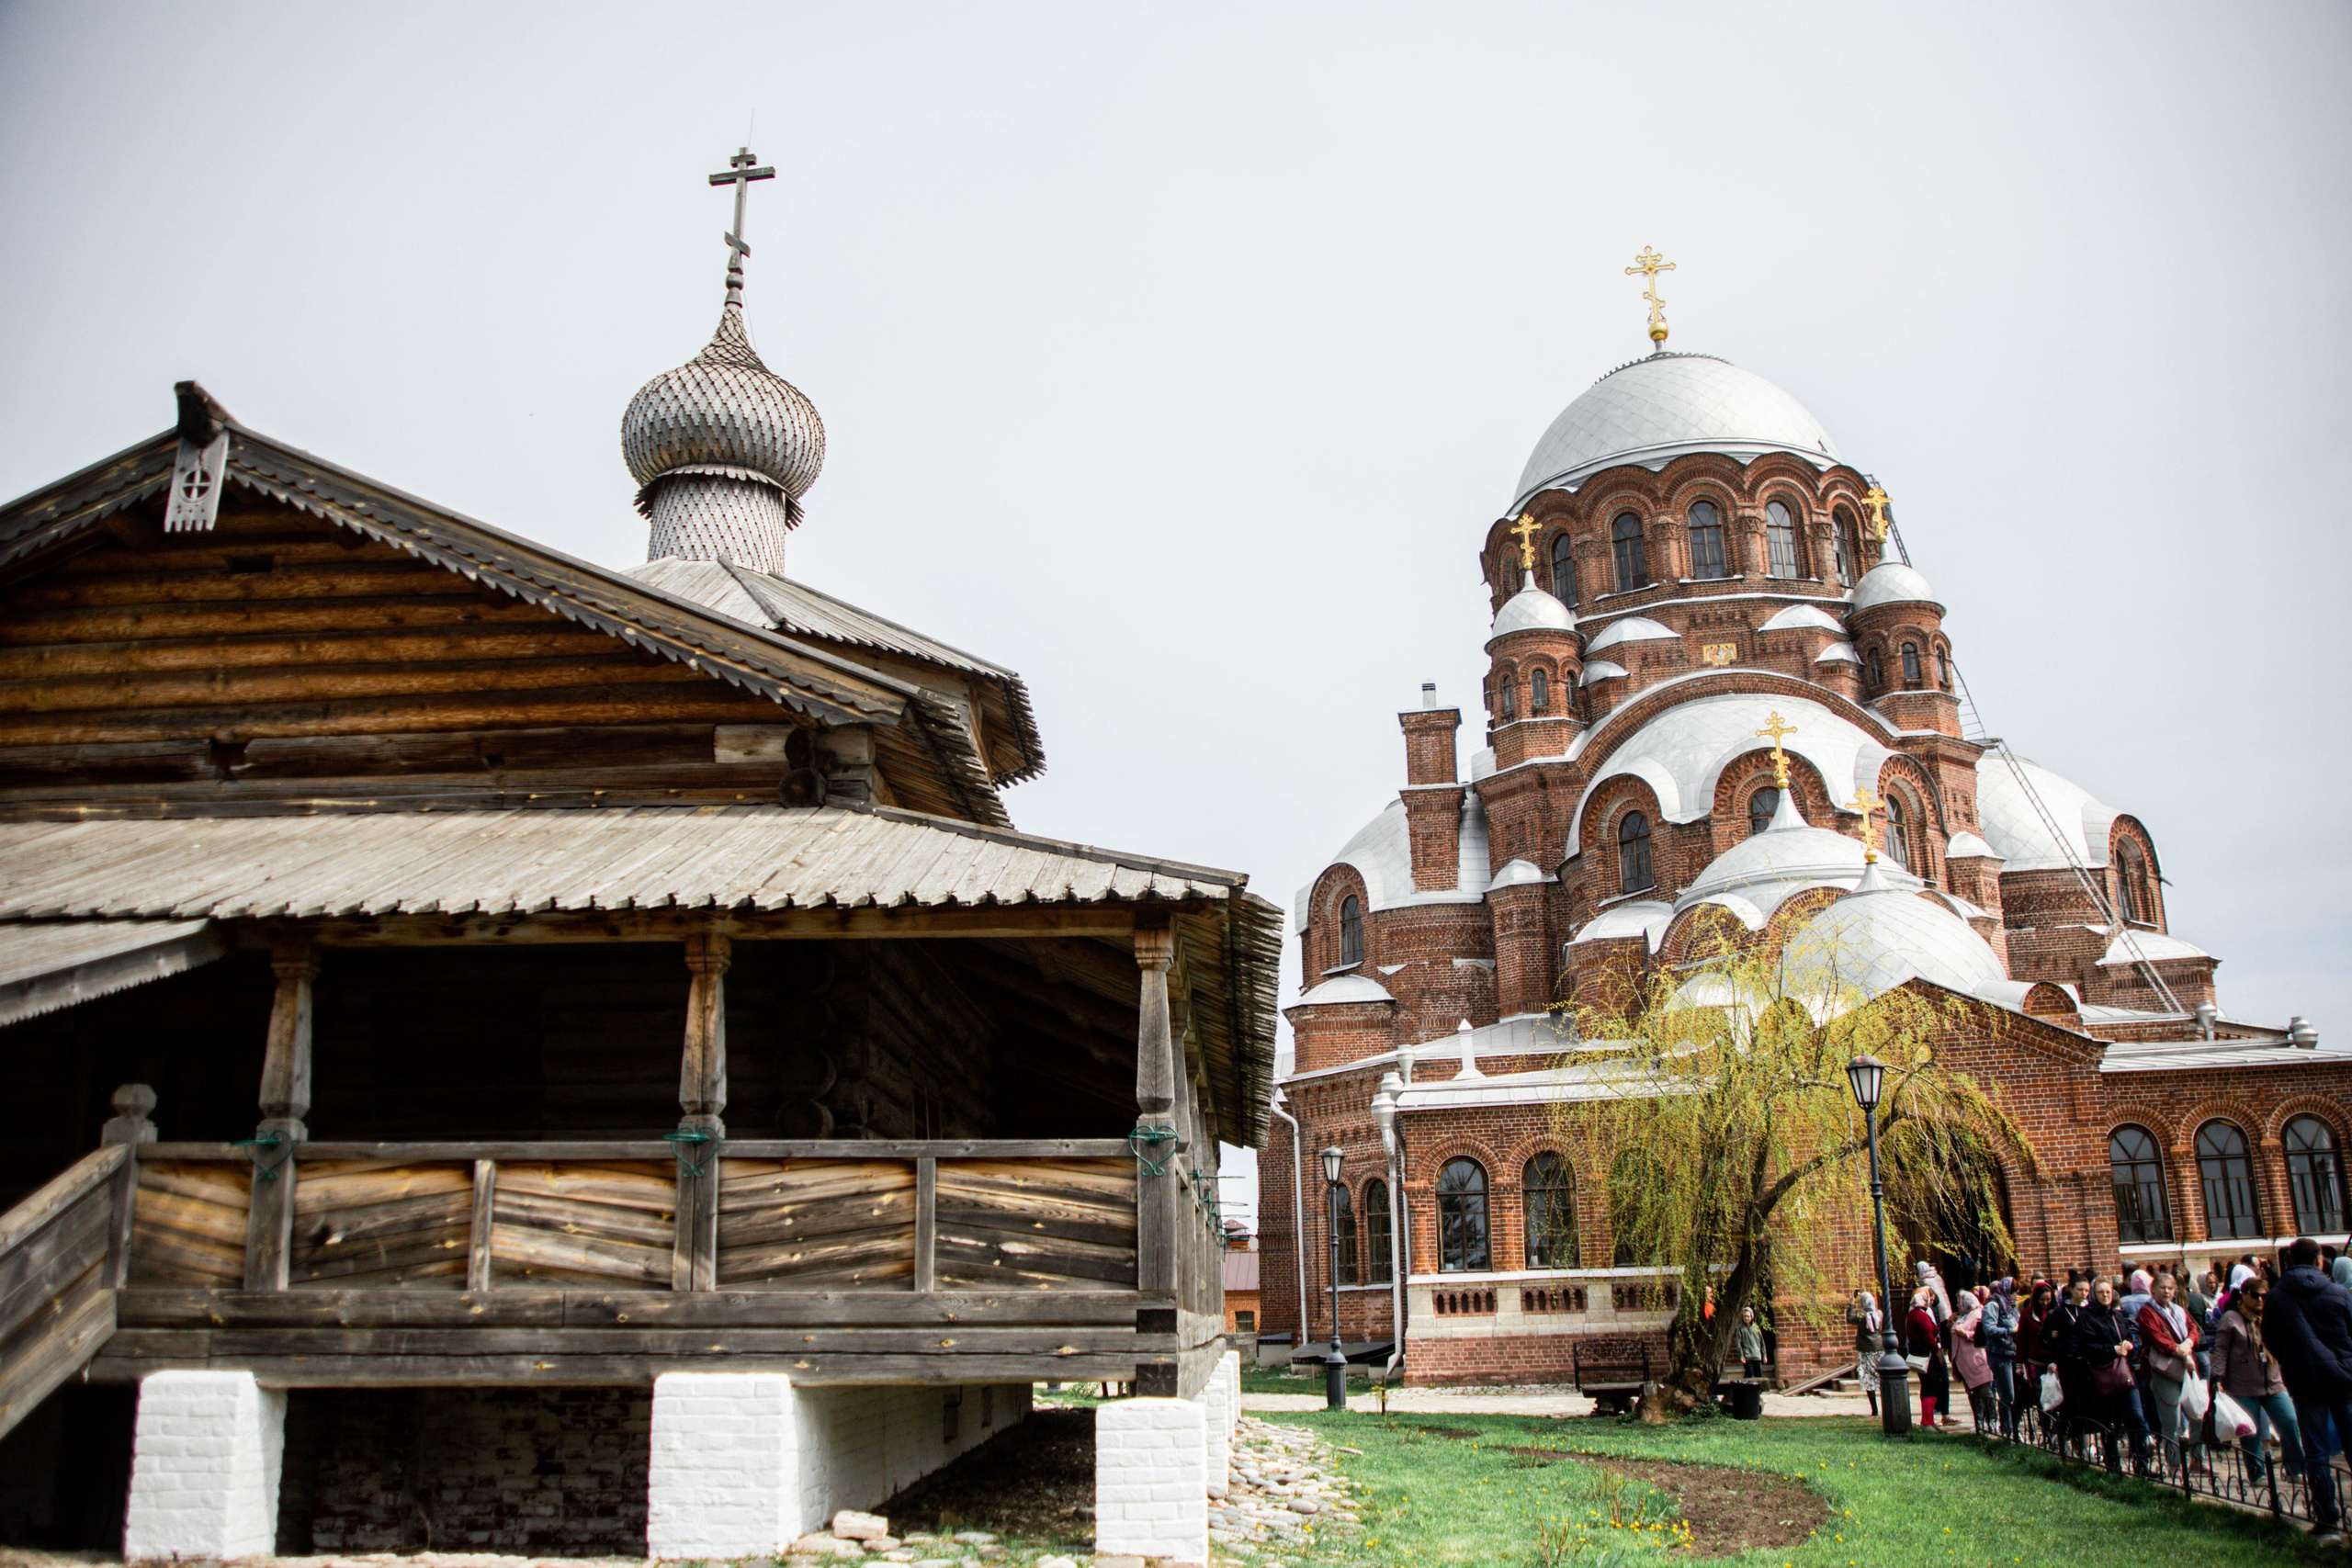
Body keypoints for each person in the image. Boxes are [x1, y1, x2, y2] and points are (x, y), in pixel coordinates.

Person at [2266, 1237, 2352, 1544]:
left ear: (2288, 1263)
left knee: (2315, 1451)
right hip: (2343, 1379)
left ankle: (2327, 1519)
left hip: (2304, 1381)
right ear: (2319, 1261)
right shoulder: (2338, 1292)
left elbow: (2271, 1338)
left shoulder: (2277, 1297)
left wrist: (2293, 1360)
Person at [2213, 1272, 2303, 1488]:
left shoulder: (2272, 1317)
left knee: (2289, 1422)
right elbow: (2221, 1349)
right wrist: (2217, 1377)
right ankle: (2257, 1473)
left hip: (2273, 1382)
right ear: (2243, 1295)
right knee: (2250, 1432)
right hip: (2243, 1384)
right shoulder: (2231, 1318)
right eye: (2255, 1295)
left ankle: (2295, 1469)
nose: (2260, 1300)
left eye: (2264, 1295)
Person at [2069, 1276, 2145, 1472]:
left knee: (2136, 1416)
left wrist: (2129, 1343)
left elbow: (2129, 1335)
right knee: (2109, 1422)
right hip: (2102, 1376)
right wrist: (2112, 1349)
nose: (2105, 1296)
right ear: (2094, 1294)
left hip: (2124, 1373)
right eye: (2101, 1292)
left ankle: (2141, 1462)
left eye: (2108, 1292)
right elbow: (2085, 1347)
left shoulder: (2117, 1315)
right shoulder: (2086, 1317)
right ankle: (2113, 1464)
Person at [2136, 1269, 2201, 1471]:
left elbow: (2194, 1329)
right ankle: (2174, 1465)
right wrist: (2181, 1352)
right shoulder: (2147, 1312)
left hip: (2186, 1367)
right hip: (2164, 1370)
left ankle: (2198, 1460)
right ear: (2153, 1290)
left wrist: (2188, 1343)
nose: (2166, 1292)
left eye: (2170, 1288)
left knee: (2198, 1414)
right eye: (2162, 1288)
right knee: (2172, 1422)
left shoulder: (2179, 1310)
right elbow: (2158, 1338)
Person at [2052, 1276, 2094, 1456]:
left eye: (2086, 1290)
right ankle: (2066, 1438)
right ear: (2071, 1290)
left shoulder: (2090, 1310)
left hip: (2087, 1364)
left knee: (2087, 1403)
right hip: (2068, 1364)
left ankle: (2086, 1444)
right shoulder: (2061, 1312)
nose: (2083, 1294)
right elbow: (2049, 1337)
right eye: (2080, 1290)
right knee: (2071, 1403)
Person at [1951, 1289, 1996, 1432]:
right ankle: (1979, 1422)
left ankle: (1992, 1421)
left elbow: (1982, 1334)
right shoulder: (1963, 1316)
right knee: (1973, 1394)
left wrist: (1966, 1334)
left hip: (1977, 1361)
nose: (1959, 1305)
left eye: (1960, 1301)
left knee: (1985, 1392)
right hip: (1965, 1363)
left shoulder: (1977, 1314)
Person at [1981, 1277, 2021, 1438]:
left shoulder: (2011, 1307)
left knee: (2016, 1395)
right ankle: (2007, 1430)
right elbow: (1989, 1329)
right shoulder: (1993, 1304)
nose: (2016, 1295)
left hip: (2013, 1353)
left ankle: (2014, 1428)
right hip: (1999, 1354)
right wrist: (2010, 1331)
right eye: (2014, 1292)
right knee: (2007, 1394)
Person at [1906, 1286, 1951, 1427]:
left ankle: (1928, 1421)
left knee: (1927, 1386)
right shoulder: (1920, 1315)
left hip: (1922, 1354)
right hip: (1928, 1356)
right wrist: (1938, 1354)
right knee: (1931, 1387)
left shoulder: (1912, 1314)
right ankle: (1927, 1421)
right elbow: (1929, 1337)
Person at [1846, 1289, 1884, 1416]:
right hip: (1878, 1348)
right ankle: (1886, 1404)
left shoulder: (1862, 1318)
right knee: (1882, 1377)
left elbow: (1850, 1318)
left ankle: (1874, 1409)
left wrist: (1853, 1301)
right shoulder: (1879, 1314)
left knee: (1869, 1380)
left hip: (1865, 1350)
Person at [1735, 1303, 1766, 1380]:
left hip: (1757, 1355)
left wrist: (1764, 1355)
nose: (1746, 1318)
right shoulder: (1740, 1328)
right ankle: (1745, 1388)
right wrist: (1741, 1355)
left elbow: (1762, 1342)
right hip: (1747, 1356)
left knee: (1759, 1374)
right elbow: (1738, 1343)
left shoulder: (1756, 1327)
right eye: (1745, 1316)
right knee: (1750, 1373)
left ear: (1751, 1316)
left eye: (1748, 1316)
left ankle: (1758, 1390)